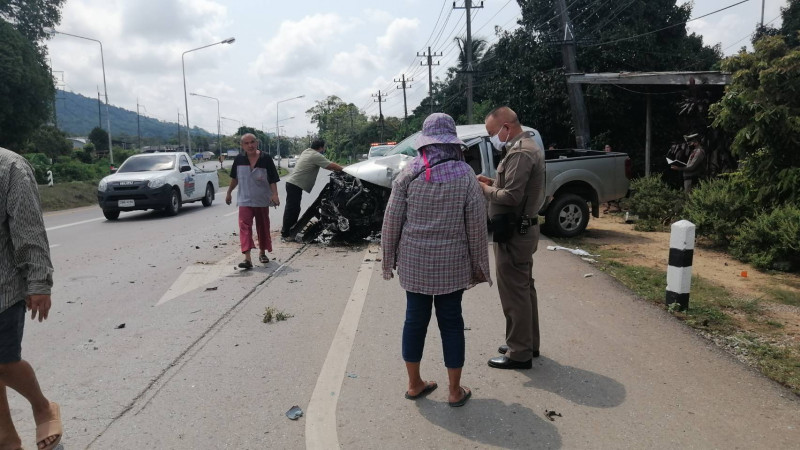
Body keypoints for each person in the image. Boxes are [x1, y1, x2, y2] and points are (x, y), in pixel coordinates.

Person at [382, 113, 491, 407]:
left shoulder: (408, 173)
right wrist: (479, 266)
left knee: (414, 321)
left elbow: (392, 221)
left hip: (414, 263)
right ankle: (455, 391)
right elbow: (477, 226)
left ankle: (414, 383)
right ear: (453, 142)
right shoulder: (466, 175)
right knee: (452, 324)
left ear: (425, 142)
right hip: (453, 265)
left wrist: (387, 260)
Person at [0, 147, 63, 450]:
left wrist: (39, 281)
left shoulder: (10, 167)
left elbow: (28, 229)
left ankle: (42, 407)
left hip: (4, 288)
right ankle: (6, 437)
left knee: (4, 363)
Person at [477, 106, 545, 370]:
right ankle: (526, 342)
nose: (493, 138)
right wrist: (492, 182)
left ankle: (519, 353)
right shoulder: (524, 147)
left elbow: (512, 197)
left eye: (492, 133)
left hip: (515, 232)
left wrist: (483, 188)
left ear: (506, 127)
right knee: (524, 288)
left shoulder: (520, 152)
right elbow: (513, 187)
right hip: (521, 229)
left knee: (515, 292)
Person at [225, 134, 280, 268]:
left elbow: (272, 178)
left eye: (252, 142)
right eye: (246, 143)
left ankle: (262, 252)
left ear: (257, 143)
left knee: (263, 226)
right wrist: (229, 192)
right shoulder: (239, 159)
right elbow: (235, 179)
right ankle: (247, 258)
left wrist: (275, 194)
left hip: (262, 199)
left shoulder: (265, 158)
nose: (250, 145)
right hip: (244, 200)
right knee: (244, 227)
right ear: (242, 146)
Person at [280, 139, 344, 241]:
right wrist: (344, 169)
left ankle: (290, 231)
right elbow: (329, 165)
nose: (324, 150)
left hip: (293, 183)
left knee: (294, 208)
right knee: (292, 209)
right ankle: (286, 233)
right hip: (294, 184)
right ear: (321, 147)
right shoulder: (315, 155)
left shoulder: (307, 151)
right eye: (324, 148)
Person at [602, 144, 620, 213]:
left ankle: (617, 207)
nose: (607, 149)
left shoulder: (613, 155)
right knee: (607, 193)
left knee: (613, 192)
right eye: (606, 148)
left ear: (610, 148)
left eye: (608, 147)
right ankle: (609, 207)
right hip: (606, 177)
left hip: (612, 177)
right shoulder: (603, 156)